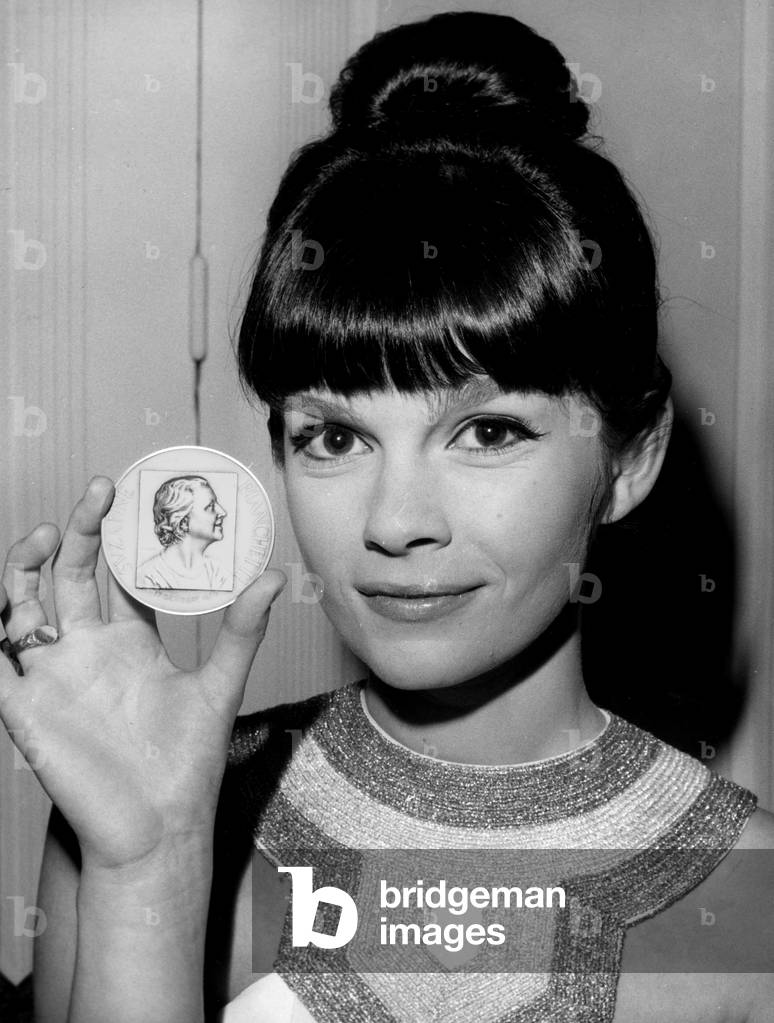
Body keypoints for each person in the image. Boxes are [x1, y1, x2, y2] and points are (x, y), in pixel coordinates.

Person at [1, 11, 772, 1023]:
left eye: (489, 432)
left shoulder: (739, 902)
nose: (395, 522)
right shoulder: (146, 805)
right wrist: (149, 867)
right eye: (334, 438)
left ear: (631, 459)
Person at [138, 475, 231, 591]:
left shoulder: (217, 572)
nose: (222, 512)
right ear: (183, 521)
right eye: (211, 507)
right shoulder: (149, 577)